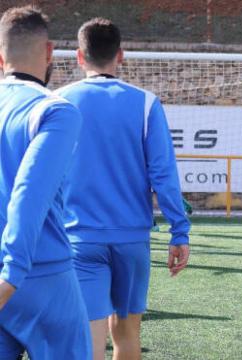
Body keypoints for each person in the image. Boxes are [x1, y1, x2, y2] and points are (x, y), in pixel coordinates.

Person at [55, 18, 190, 360]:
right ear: (121, 55)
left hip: (79, 238)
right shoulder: (145, 103)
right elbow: (163, 174)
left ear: (78, 56)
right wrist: (179, 231)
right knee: (127, 335)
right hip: (131, 240)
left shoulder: (58, 102)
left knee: (89, 339)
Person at [0, 5, 92, 359]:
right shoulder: (55, 110)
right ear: (50, 51)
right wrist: (12, 273)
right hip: (39, 274)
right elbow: (29, 190)